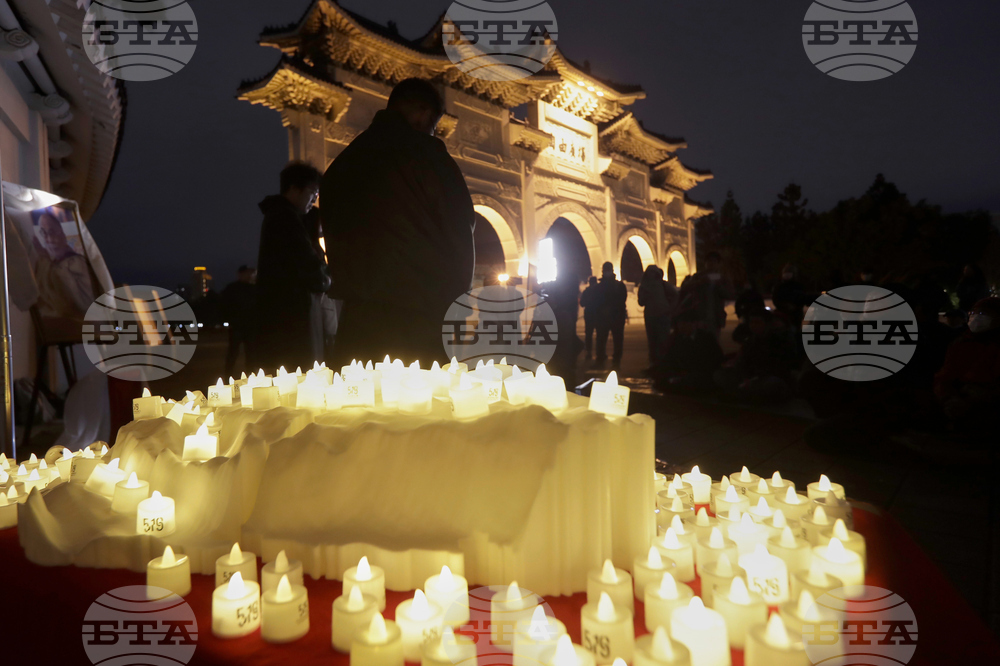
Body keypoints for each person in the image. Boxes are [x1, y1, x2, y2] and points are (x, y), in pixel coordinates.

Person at [321, 78, 475, 366]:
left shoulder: (342, 165)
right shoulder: (429, 154)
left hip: (358, 319)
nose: (432, 130)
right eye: (434, 123)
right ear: (423, 112)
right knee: (420, 406)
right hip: (420, 315)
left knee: (361, 405)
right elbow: (459, 228)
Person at [255, 161, 331, 372]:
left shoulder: (280, 215)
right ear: (294, 189)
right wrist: (326, 279)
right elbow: (306, 263)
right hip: (292, 314)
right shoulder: (284, 217)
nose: (314, 200)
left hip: (284, 311)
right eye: (312, 192)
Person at [934, 297, 1000, 435]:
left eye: (984, 313)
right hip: (957, 400)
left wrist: (982, 397)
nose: (977, 317)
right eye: (974, 313)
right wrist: (948, 398)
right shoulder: (960, 343)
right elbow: (944, 377)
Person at [653, 310, 724, 393]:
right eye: (679, 324)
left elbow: (715, 360)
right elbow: (670, 358)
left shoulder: (706, 338)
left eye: (683, 324)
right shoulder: (678, 339)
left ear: (693, 324)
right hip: (683, 372)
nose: (680, 327)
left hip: (700, 374)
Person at [678, 251, 728, 340]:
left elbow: (730, 294)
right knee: (700, 342)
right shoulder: (698, 276)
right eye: (709, 261)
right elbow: (685, 289)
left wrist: (719, 286)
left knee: (714, 343)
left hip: (715, 317)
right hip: (699, 317)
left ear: (718, 263)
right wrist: (700, 282)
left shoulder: (722, 278)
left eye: (714, 261)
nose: (711, 264)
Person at [220, 265, 256, 378]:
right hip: (237, 325)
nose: (249, 276)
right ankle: (228, 375)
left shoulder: (252, 288)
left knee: (250, 352)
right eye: (247, 273)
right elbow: (223, 305)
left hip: (248, 325)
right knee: (233, 352)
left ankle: (250, 374)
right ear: (241, 274)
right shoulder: (233, 288)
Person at [637, 265, 675, 367]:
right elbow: (641, 302)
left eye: (653, 272)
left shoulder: (663, 285)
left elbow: (675, 295)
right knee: (652, 341)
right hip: (650, 317)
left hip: (663, 316)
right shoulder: (644, 287)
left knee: (663, 340)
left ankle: (664, 363)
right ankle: (653, 363)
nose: (651, 275)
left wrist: (669, 308)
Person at [593, 262, 628, 368]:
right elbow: (622, 300)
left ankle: (603, 357)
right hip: (615, 316)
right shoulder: (619, 285)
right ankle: (615, 358)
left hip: (607, 317)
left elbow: (595, 302)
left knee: (603, 338)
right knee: (615, 338)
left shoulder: (599, 287)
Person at [771, 263, 807, 328]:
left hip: (795, 315)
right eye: (786, 272)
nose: (787, 274)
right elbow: (775, 299)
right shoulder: (779, 286)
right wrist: (784, 306)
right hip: (783, 314)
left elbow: (802, 298)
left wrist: (795, 307)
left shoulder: (798, 286)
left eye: (789, 272)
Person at [579, 276, 599, 360]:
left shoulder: (586, 292)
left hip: (589, 314)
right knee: (600, 334)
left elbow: (582, 303)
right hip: (598, 314)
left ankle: (589, 352)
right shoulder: (599, 291)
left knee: (588, 334)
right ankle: (599, 353)